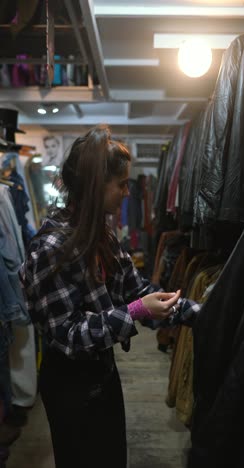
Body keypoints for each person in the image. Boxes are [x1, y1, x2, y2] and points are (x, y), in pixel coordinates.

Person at [19, 124, 198, 468]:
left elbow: (139, 289)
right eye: (121, 185)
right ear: (94, 186)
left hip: (102, 374)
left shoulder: (103, 235)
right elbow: (68, 335)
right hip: (70, 387)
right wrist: (134, 312)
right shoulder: (51, 248)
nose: (127, 193)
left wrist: (204, 312)